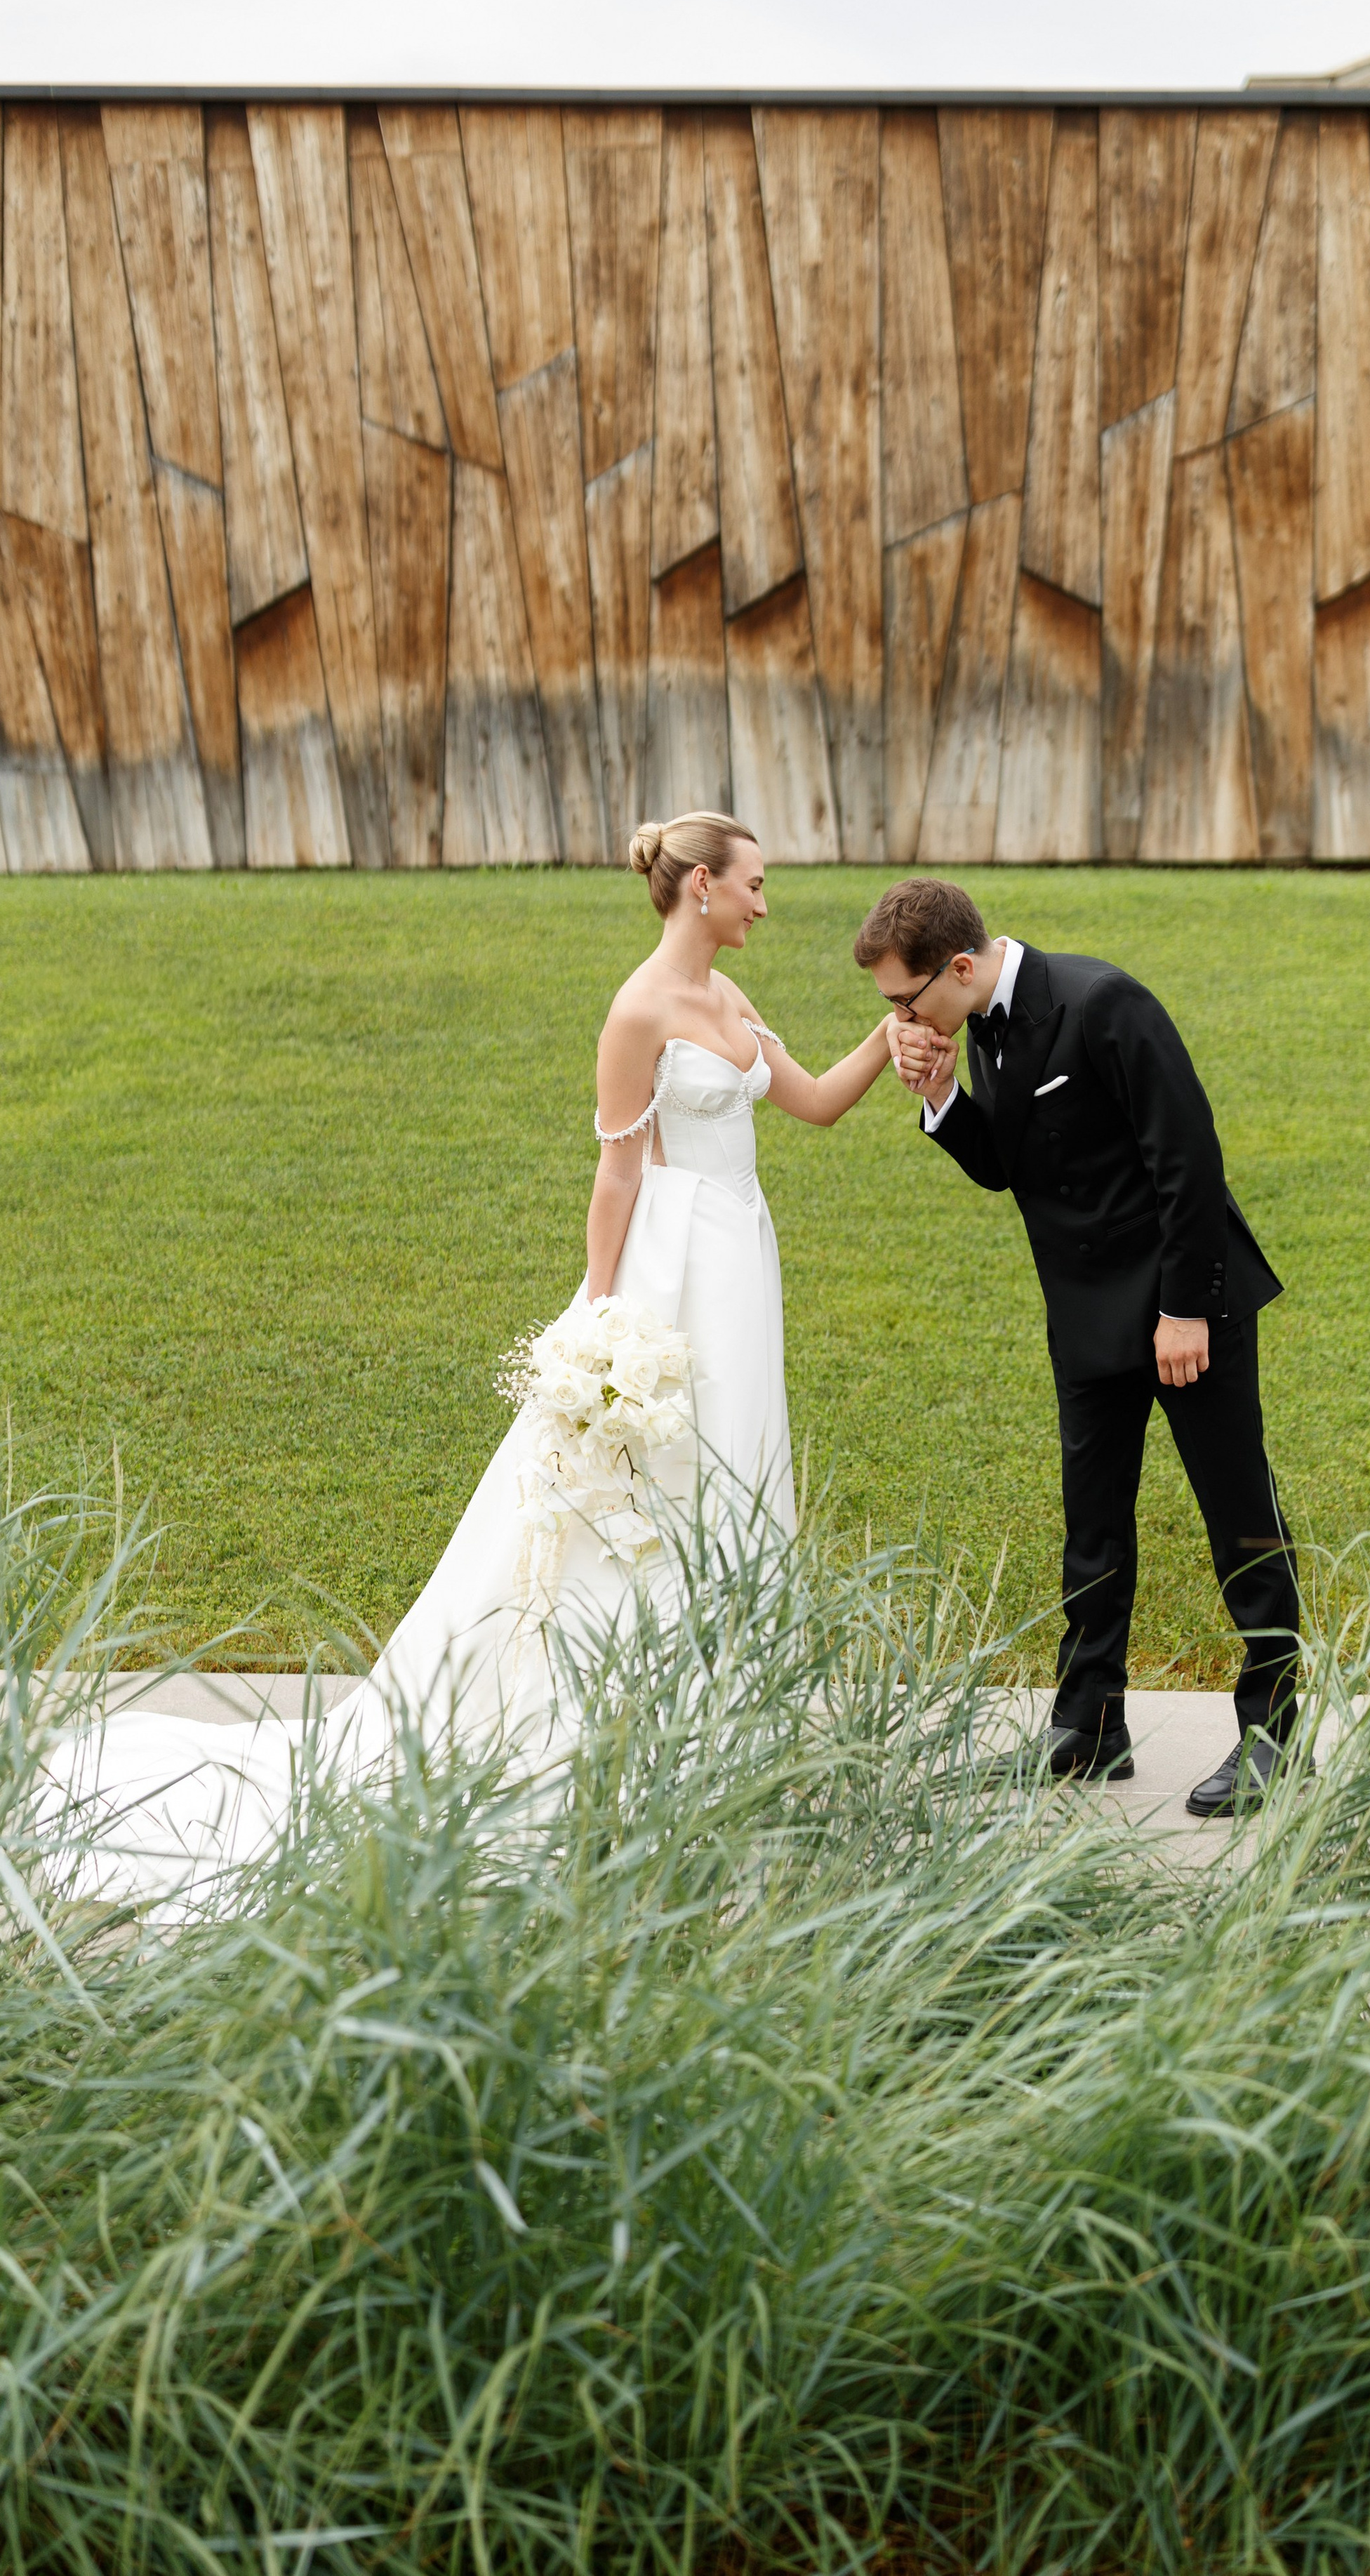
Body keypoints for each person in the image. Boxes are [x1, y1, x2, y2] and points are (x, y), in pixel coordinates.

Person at [44, 812, 900, 1905]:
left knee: (736, 1470)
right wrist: (599, 1316)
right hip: (670, 1268)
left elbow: (817, 1103)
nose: (765, 905)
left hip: (743, 1259)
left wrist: (895, 1033)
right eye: (754, 885)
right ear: (699, 889)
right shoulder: (638, 1011)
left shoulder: (733, 1002)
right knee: (641, 1490)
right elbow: (617, 1177)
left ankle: (714, 1736)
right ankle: (599, 1736)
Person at [853, 876, 1300, 1818]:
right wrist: (941, 1098)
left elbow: (1190, 1159)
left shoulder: (1105, 1003)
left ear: (961, 966)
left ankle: (1274, 1732)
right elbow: (1010, 1169)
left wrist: (1185, 1309)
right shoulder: (983, 1026)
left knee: (1238, 1514)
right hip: (1087, 1317)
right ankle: (1091, 1729)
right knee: (1093, 1525)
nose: (900, 1017)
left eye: (906, 997)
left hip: (1187, 1308)